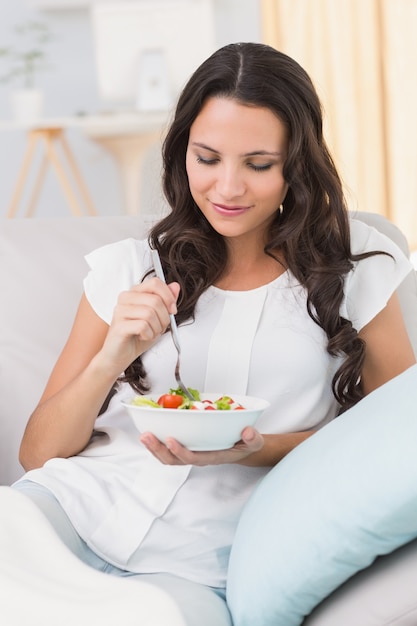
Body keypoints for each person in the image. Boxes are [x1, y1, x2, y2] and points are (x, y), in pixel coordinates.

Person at [12, 42, 416, 623]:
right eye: (207, 158)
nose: (227, 188)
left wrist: (257, 449)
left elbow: (392, 441)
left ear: (296, 166)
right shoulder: (130, 268)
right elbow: (37, 453)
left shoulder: (357, 269)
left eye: (258, 164)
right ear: (182, 155)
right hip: (65, 513)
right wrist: (109, 359)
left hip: (196, 563)